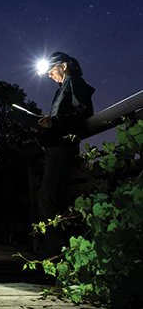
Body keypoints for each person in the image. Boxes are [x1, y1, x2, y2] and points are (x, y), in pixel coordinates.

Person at [36, 51, 94, 257]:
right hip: (55, 148)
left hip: (63, 148)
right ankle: (62, 250)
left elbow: (85, 110)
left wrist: (56, 122)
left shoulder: (74, 82)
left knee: (47, 196)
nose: (50, 75)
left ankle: (56, 251)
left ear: (65, 65)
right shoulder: (62, 88)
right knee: (54, 197)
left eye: (52, 70)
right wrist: (48, 122)